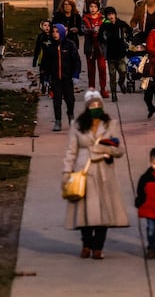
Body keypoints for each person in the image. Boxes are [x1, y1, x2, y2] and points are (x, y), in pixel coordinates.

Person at [62, 89, 129, 259]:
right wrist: (67, 172)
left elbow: (119, 149)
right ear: (87, 107)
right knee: (85, 211)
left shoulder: (110, 124)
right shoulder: (77, 125)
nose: (96, 107)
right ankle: (86, 244)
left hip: (104, 172)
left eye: (99, 104)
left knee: (103, 211)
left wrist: (104, 150)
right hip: (84, 171)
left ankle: (98, 247)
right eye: (93, 105)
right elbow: (71, 151)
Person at [130, 0, 155, 118]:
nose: (150, 0)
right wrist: (134, 28)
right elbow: (133, 21)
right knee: (142, 60)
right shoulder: (140, 8)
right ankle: (143, 76)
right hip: (144, 37)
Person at [42, 24, 81, 131]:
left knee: (70, 99)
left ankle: (71, 115)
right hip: (55, 79)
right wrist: (45, 78)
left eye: (57, 32)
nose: (55, 34)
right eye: (53, 32)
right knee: (56, 100)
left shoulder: (70, 45)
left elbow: (76, 61)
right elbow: (45, 64)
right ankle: (58, 120)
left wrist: (76, 74)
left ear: (62, 33)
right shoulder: (50, 47)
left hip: (67, 78)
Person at [98, 6, 132, 101]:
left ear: (115, 15)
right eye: (109, 15)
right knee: (112, 75)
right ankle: (113, 93)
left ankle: (121, 83)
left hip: (120, 53)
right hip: (110, 54)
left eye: (112, 14)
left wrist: (128, 38)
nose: (111, 16)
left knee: (123, 71)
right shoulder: (104, 26)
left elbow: (129, 31)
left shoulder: (121, 24)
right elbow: (100, 38)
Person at [82, 1, 109, 98]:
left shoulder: (103, 18)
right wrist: (92, 30)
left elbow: (107, 30)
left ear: (98, 8)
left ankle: (103, 88)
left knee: (102, 68)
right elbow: (83, 30)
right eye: (91, 6)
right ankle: (91, 89)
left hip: (100, 47)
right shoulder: (85, 18)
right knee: (91, 70)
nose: (93, 8)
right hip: (90, 47)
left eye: (95, 6)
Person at [32, 20, 52, 94]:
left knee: (50, 73)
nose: (47, 27)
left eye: (48, 25)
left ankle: (50, 86)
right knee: (43, 73)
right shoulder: (40, 36)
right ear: (42, 27)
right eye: (45, 25)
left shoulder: (53, 36)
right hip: (42, 58)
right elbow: (37, 48)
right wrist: (35, 60)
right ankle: (43, 84)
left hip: (51, 58)